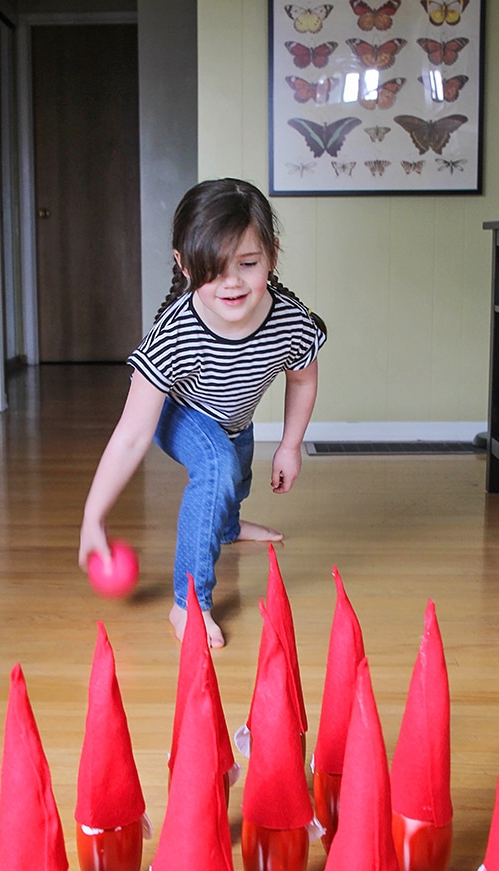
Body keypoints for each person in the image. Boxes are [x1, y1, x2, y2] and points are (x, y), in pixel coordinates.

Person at [78, 177, 326, 648]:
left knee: (234, 477)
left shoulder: (292, 320)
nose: (231, 282)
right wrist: (94, 515)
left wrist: (291, 446)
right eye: (213, 268)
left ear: (271, 254)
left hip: (237, 418)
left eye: (247, 264)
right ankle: (189, 602)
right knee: (216, 467)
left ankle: (228, 528)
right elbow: (131, 435)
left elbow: (303, 377)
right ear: (185, 264)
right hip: (180, 414)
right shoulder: (176, 334)